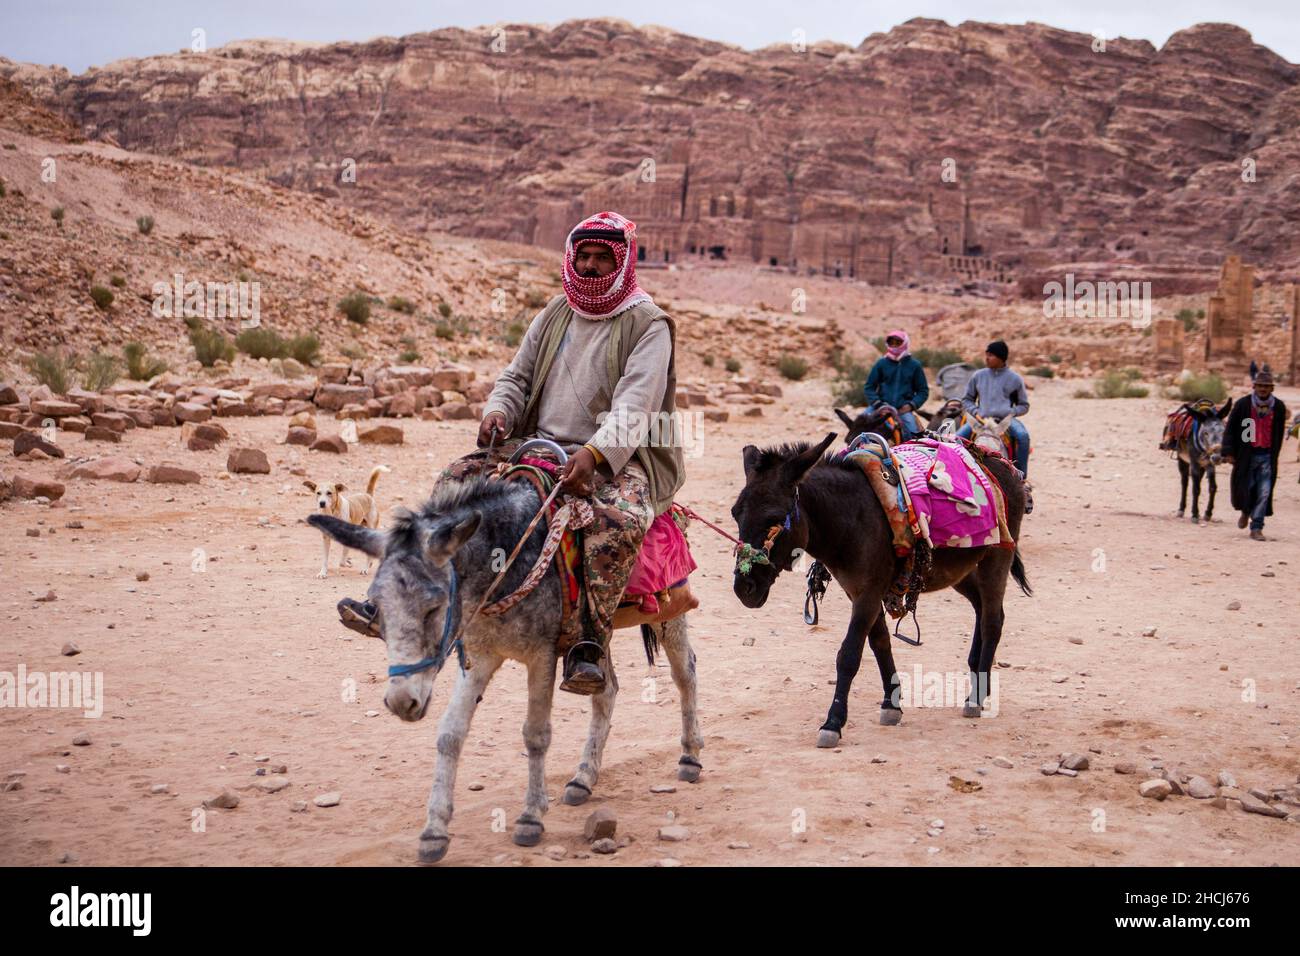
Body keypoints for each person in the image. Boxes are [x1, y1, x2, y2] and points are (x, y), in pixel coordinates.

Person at [470, 210, 685, 693]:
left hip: (615, 456)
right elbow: (516, 377)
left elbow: (637, 404)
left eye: (600, 258)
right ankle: (427, 597)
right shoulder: (555, 312)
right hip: (538, 444)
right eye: (582, 255)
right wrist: (497, 412)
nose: (588, 266)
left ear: (622, 261)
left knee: (618, 523)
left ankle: (590, 639)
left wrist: (595, 454)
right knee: (454, 486)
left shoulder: (649, 324)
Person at [1223, 365, 1286, 541]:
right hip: (1247, 456)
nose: (1263, 389)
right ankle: (1245, 511)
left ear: (1272, 388)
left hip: (1267, 456)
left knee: (1264, 492)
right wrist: (1228, 451)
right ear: (1254, 387)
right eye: (1260, 386)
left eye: (1266, 386)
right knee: (1247, 489)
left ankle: (1257, 527)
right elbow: (1231, 428)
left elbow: (1278, 433)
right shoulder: (1244, 405)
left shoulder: (1278, 407)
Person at [957, 340, 1031, 476]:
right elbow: (967, 400)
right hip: (981, 420)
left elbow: (1024, 405)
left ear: (1001, 357)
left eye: (991, 355)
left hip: (1006, 421)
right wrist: (975, 411)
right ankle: (956, 474)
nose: (987, 358)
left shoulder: (1015, 378)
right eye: (987, 354)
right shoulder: (978, 376)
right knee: (955, 438)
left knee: (1023, 436)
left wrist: (1011, 412)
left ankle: (1021, 477)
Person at [863, 329, 929, 439]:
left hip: (902, 410)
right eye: (891, 343)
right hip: (880, 407)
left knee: (913, 434)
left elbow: (923, 391)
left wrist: (910, 406)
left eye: (898, 342)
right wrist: (878, 404)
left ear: (905, 343)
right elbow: (869, 387)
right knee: (859, 425)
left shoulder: (914, 365)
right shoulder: (881, 363)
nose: (894, 345)